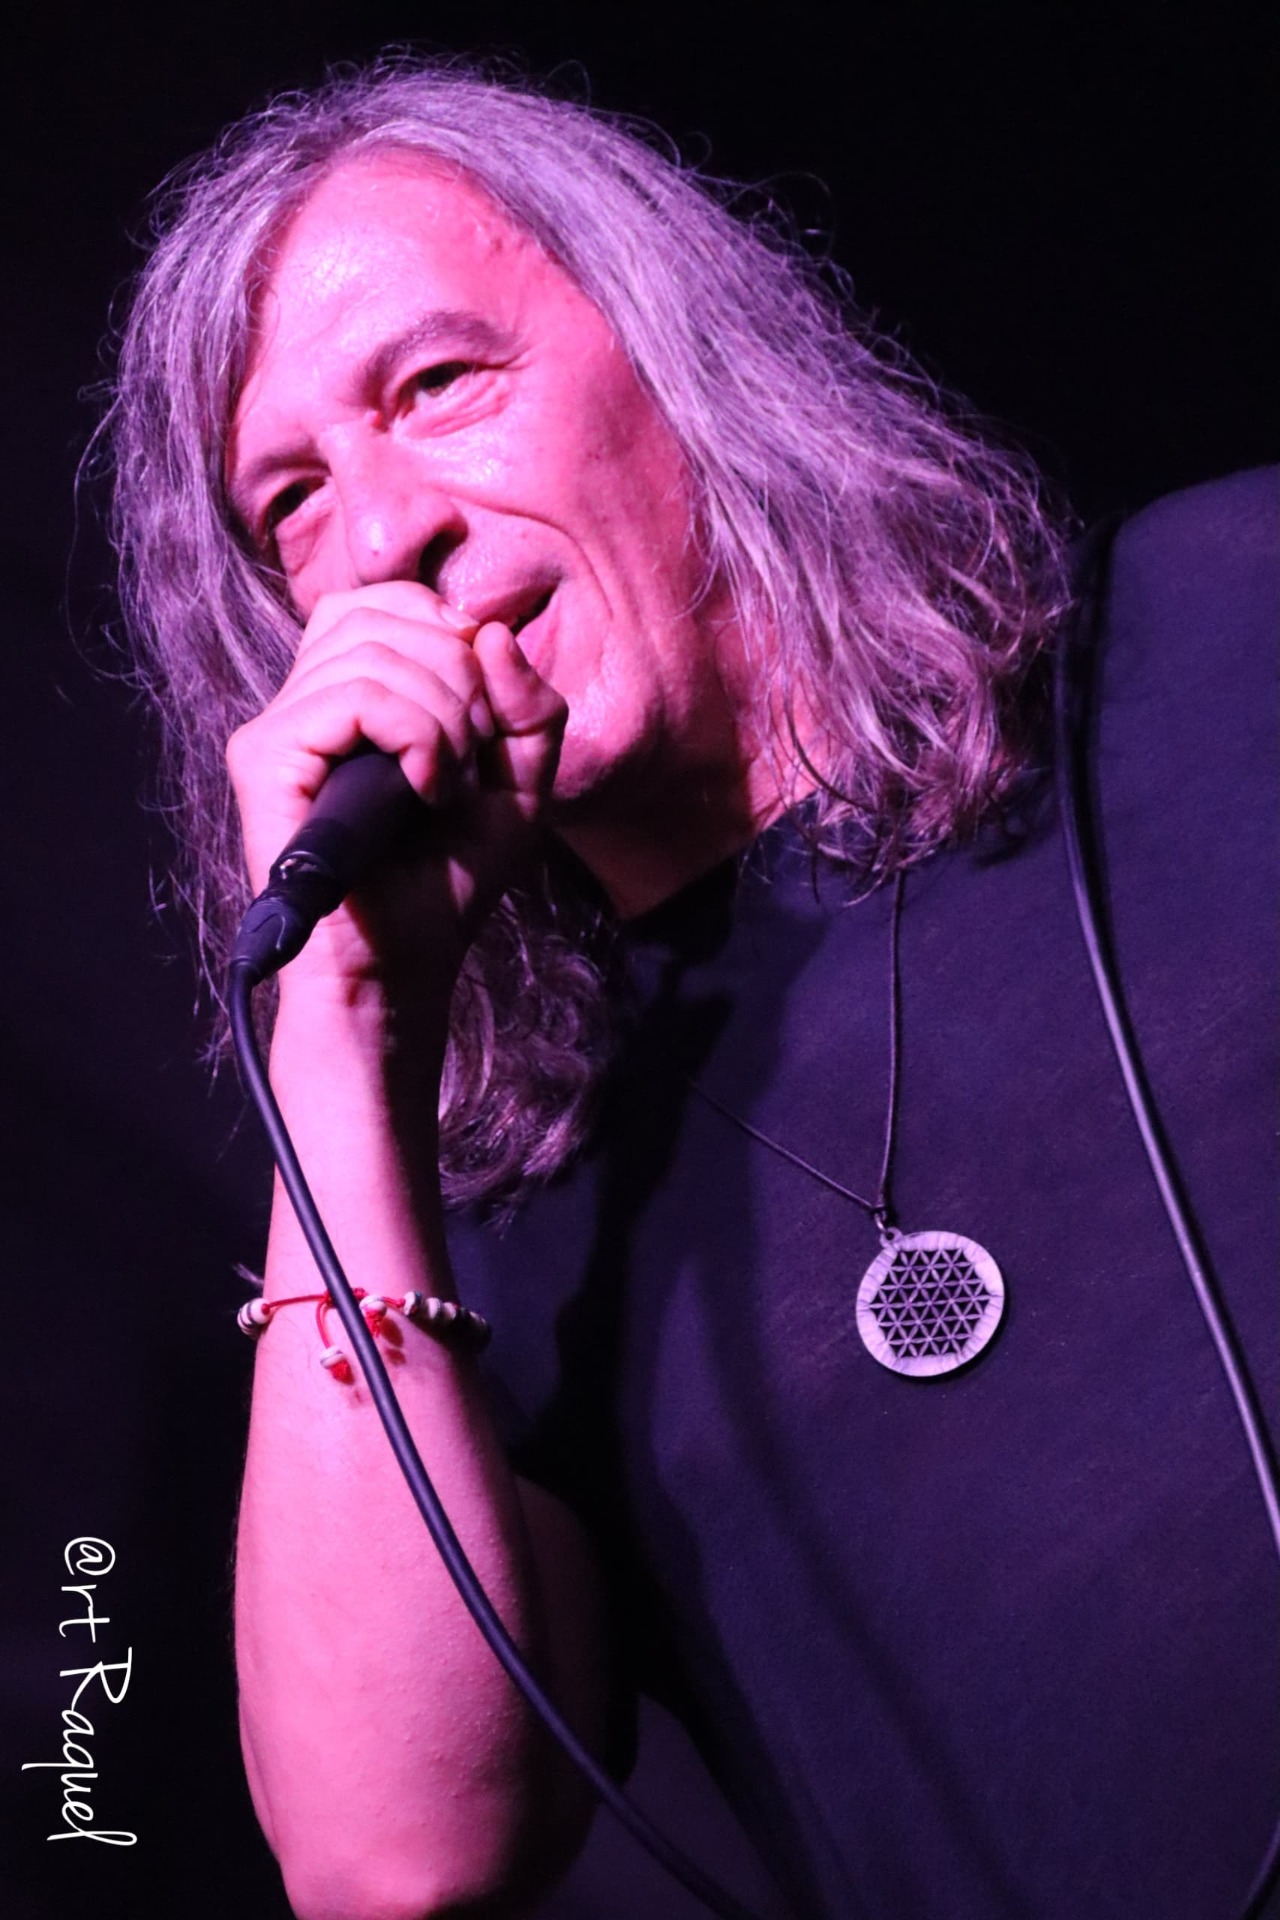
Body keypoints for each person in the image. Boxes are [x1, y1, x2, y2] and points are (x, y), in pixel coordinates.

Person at [106, 58, 1277, 1920]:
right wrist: (337, 1029)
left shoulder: (1229, 622)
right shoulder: (477, 1231)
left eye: (438, 382)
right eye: (292, 504)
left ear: (679, 350)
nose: (386, 535)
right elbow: (388, 1863)